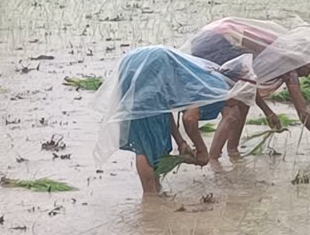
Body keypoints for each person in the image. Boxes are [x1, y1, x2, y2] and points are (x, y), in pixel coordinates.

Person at [91, 45, 257, 193]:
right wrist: (201, 150)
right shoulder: (217, 89)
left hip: (140, 62)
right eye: (243, 98)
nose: (239, 105)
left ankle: (154, 193)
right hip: (152, 65)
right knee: (147, 143)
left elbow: (165, 106)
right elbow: (189, 118)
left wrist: (181, 142)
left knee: (154, 133)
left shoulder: (213, 79)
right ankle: (150, 198)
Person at [181, 16, 310, 166]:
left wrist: (268, 113)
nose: (306, 75)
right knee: (232, 112)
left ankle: (232, 151)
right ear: (303, 60)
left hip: (213, 37)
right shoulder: (285, 64)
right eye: (309, 70)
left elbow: (248, 83)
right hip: (217, 43)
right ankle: (214, 160)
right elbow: (304, 115)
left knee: (243, 102)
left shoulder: (282, 61)